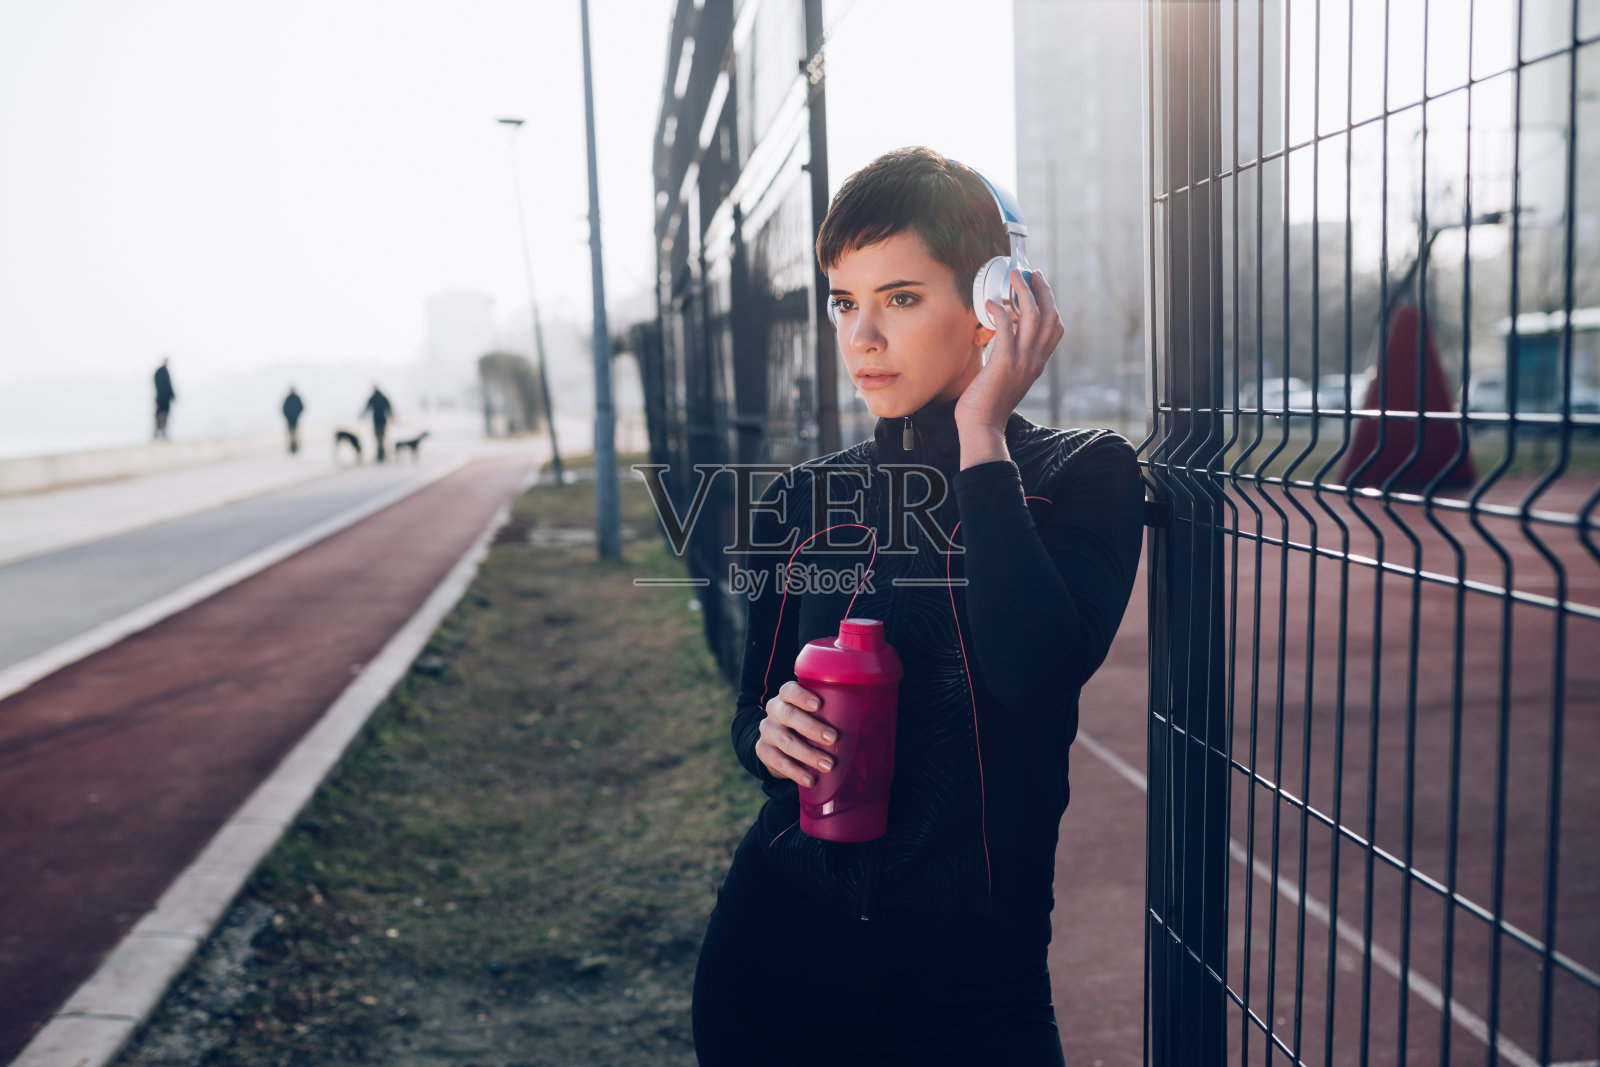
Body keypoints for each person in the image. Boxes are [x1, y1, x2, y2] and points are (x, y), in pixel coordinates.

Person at [690, 147, 1145, 1066]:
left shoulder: (1082, 473)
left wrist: (981, 435)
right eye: (843, 301)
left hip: (971, 996)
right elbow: (751, 715)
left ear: (994, 305)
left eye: (899, 298)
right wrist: (766, 737)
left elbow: (1033, 672)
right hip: (774, 965)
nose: (861, 337)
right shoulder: (803, 502)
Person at [362, 384, 393, 462]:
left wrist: (362, 416)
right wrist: (391, 416)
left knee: (377, 437)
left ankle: (380, 454)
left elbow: (367, 408)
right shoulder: (383, 397)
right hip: (383, 420)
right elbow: (389, 407)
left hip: (376, 421)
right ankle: (382, 453)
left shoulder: (373, 398)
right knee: (382, 437)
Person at [152, 358, 176, 440]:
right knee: (163, 414)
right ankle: (162, 431)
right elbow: (169, 385)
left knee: (159, 415)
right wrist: (172, 395)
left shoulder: (158, 372)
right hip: (164, 399)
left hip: (159, 398)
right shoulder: (164, 372)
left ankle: (158, 432)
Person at [282, 386, 305, 455]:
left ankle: (295, 447)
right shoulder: (289, 398)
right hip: (290, 420)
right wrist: (287, 416)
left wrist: (297, 415)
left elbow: (301, 407)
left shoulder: (296, 398)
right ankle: (292, 447)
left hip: (294, 419)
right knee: (291, 434)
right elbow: (284, 409)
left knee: (294, 434)